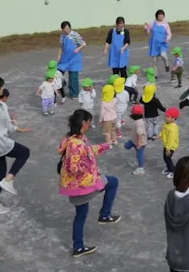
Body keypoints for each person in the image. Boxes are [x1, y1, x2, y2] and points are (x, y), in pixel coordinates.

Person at [59, 109, 120, 257]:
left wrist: (105, 145)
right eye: (89, 122)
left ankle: (78, 247)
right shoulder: (77, 144)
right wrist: (87, 166)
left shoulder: (74, 138)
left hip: (77, 186)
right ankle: (104, 215)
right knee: (113, 182)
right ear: (84, 123)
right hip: (83, 185)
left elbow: (88, 151)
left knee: (81, 214)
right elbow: (73, 167)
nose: (90, 124)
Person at [0, 75, 31, 217]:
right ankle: (9, 180)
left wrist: (16, 127)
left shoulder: (0, 104)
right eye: (2, 87)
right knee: (24, 152)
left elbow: (7, 125)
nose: (3, 89)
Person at [57, 21, 85, 99]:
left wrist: (78, 48)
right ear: (62, 29)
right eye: (64, 29)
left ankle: (74, 94)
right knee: (57, 73)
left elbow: (83, 44)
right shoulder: (62, 36)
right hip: (65, 58)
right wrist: (59, 55)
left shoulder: (75, 35)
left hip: (74, 59)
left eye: (67, 28)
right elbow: (62, 47)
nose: (66, 30)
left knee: (73, 77)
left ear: (70, 28)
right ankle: (63, 83)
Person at [123, 104, 147, 175]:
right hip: (134, 140)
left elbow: (139, 134)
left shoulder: (139, 123)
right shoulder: (137, 121)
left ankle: (141, 168)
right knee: (126, 146)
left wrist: (139, 144)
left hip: (140, 142)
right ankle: (134, 146)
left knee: (139, 155)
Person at [161, 107, 181, 177]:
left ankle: (173, 170)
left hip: (170, 146)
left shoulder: (172, 128)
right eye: (166, 116)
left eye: (167, 116)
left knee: (167, 158)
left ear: (173, 118)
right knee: (165, 157)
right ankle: (169, 168)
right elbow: (164, 131)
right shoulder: (167, 124)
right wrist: (160, 135)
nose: (165, 118)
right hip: (167, 145)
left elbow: (170, 140)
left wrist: (168, 149)